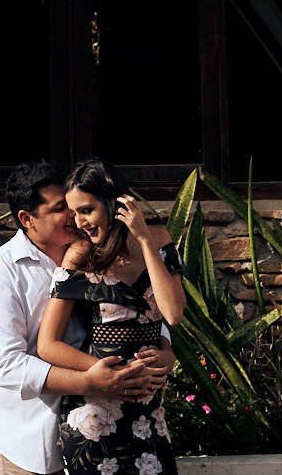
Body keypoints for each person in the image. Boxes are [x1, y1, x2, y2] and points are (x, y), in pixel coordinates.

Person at [0, 160, 173, 475]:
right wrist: (90, 381)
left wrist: (163, 347)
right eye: (58, 209)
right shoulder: (2, 273)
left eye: (74, 207)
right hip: (35, 447)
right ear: (27, 218)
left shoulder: (93, 251)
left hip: (110, 429)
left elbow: (136, 309)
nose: (72, 216)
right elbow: (7, 366)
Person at [37, 159, 185, 475]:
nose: (79, 222)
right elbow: (47, 345)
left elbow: (172, 314)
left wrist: (144, 239)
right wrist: (107, 373)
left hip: (149, 414)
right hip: (96, 416)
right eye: (73, 212)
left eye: (86, 210)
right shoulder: (80, 255)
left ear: (113, 203)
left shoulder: (159, 239)